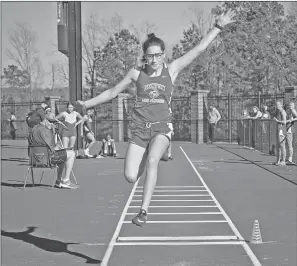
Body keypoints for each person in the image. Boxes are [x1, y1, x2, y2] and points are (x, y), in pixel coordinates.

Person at [75, 10, 236, 226]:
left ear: (163, 55)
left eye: (158, 55)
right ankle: (144, 163)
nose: (154, 59)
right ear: (144, 56)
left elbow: (199, 49)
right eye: (150, 56)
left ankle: (143, 211)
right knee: (131, 177)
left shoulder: (171, 70)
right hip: (140, 130)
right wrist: (86, 104)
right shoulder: (136, 74)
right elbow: (113, 92)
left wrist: (218, 27)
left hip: (162, 127)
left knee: (153, 161)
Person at [28, 112, 78, 189]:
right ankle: (66, 181)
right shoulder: (46, 131)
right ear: (45, 120)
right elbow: (53, 148)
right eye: (51, 122)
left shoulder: (33, 129)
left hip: (34, 160)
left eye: (54, 123)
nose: (53, 124)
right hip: (47, 160)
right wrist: (53, 132)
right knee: (71, 153)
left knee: (62, 155)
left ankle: (58, 180)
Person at [273, 100, 287, 166]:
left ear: (281, 105)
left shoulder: (282, 112)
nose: (277, 106)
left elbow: (284, 122)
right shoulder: (277, 112)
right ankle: (278, 160)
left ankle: (283, 161)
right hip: (278, 130)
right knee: (277, 146)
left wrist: (277, 121)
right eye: (276, 104)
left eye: (278, 104)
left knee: (282, 146)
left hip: (281, 131)